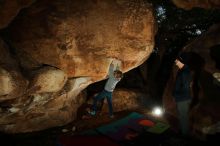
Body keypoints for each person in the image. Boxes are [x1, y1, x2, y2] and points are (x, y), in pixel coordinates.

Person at [173, 53, 192, 136]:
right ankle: (182, 132)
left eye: (177, 60)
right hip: (182, 97)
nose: (175, 61)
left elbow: (185, 87)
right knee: (182, 116)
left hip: (183, 98)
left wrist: (176, 95)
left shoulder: (184, 72)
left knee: (183, 117)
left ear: (182, 61)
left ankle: (184, 135)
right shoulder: (182, 70)